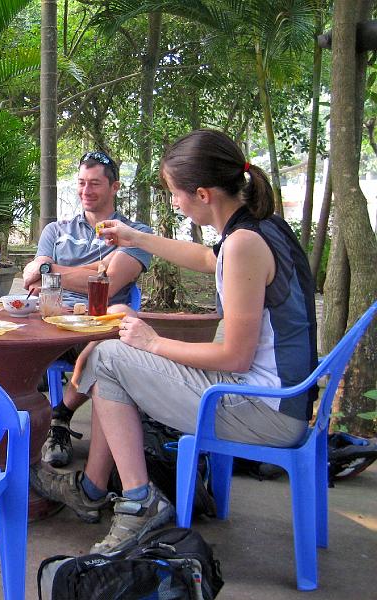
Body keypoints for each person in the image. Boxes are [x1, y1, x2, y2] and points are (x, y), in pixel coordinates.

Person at [30, 129, 317, 556]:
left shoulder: (243, 245)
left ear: (201, 194)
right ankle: (95, 488)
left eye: (174, 194)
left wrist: (151, 341)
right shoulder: (259, 228)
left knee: (108, 356)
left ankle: (135, 502)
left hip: (264, 408)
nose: (174, 203)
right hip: (277, 398)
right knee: (106, 355)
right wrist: (136, 237)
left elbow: (235, 357)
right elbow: (206, 259)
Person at [23, 151, 153, 468]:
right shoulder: (56, 229)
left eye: (95, 183)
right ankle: (13, 439)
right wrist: (95, 268)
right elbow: (30, 275)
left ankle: (59, 417)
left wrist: (52, 270)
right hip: (48, 322)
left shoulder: (136, 232)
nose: (85, 191)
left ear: (115, 187)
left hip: (97, 326)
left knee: (105, 350)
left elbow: (106, 285)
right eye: (81, 183)